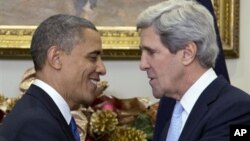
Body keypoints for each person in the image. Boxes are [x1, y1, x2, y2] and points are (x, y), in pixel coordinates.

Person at [136, 0, 250, 141]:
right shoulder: (175, 113)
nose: (142, 65)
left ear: (187, 53)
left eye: (151, 52)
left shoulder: (236, 110)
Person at [0, 14, 106, 141]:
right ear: (56, 58)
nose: (102, 69)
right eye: (93, 57)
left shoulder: (43, 112)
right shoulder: (36, 125)